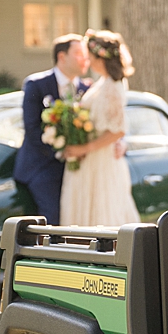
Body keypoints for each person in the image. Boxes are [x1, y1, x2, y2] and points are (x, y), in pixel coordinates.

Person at [59, 30, 142, 227]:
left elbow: (118, 130)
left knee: (102, 211)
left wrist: (83, 148)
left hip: (101, 161)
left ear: (98, 57)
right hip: (93, 160)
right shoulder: (103, 82)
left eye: (89, 54)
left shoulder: (113, 85)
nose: (87, 59)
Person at [17, 34, 90, 225]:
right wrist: (61, 153)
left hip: (79, 167)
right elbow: (32, 130)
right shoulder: (37, 84)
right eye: (79, 53)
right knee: (54, 216)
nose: (85, 58)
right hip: (42, 166)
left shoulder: (87, 89)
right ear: (62, 57)